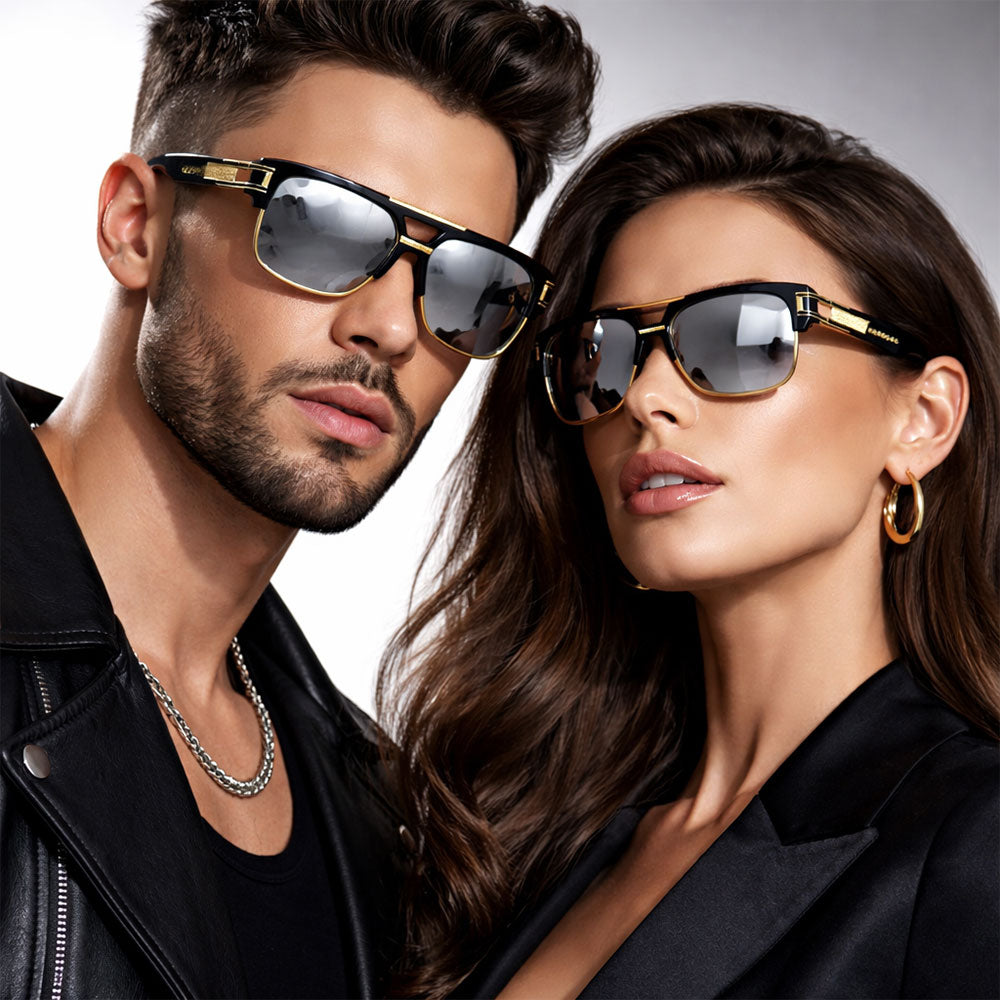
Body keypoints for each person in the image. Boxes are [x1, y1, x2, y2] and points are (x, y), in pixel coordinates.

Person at [0, 1, 597, 997]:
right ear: (137, 225)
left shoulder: (374, 810)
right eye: (321, 228)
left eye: (462, 284)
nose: (392, 329)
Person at [378, 105, 1000, 998]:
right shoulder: (534, 839)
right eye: (605, 352)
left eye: (742, 337)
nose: (647, 395)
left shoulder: (971, 837)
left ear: (923, 418)